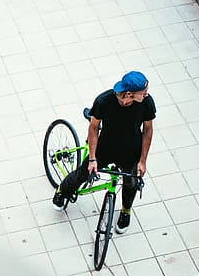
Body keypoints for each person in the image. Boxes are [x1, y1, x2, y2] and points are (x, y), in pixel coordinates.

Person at [52, 70, 155, 233]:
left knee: (131, 182)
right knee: (83, 173)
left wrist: (142, 160)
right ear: (129, 94)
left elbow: (148, 130)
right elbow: (93, 128)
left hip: (131, 150)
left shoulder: (146, 103)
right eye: (144, 92)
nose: (147, 95)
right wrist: (92, 158)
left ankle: (125, 211)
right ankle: (62, 191)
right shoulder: (104, 101)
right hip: (105, 147)